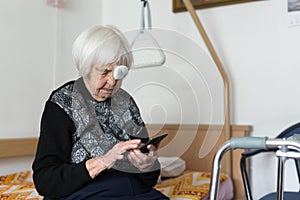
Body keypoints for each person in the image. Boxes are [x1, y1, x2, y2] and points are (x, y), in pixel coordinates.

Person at [32, 25, 169, 200]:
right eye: (105, 72)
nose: (112, 82)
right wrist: (103, 161)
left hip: (133, 191)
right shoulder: (62, 103)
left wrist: (147, 165)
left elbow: (149, 179)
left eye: (119, 72)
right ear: (86, 68)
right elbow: (45, 180)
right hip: (83, 192)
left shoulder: (126, 103)